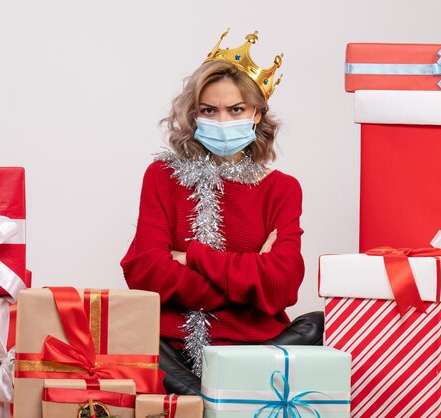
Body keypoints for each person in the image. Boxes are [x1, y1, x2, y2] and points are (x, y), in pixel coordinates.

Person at [120, 30, 323, 395]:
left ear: (257, 112)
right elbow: (145, 270)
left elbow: (282, 285)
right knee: (129, 336)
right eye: (209, 110)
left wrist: (192, 256)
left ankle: (207, 398)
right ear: (194, 114)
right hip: (170, 347)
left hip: (253, 348)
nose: (223, 120)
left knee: (320, 323)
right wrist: (247, 280)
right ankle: (211, 398)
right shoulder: (162, 176)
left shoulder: (282, 188)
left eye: (236, 109)